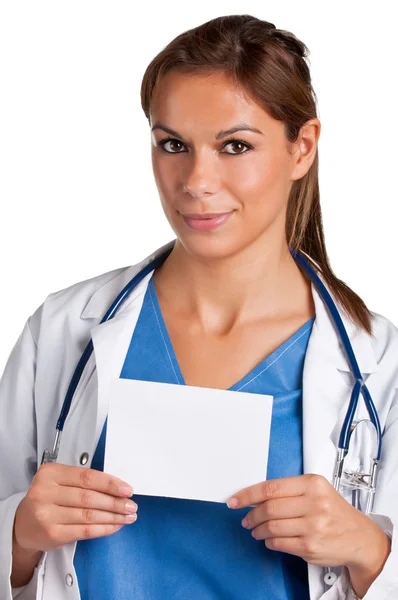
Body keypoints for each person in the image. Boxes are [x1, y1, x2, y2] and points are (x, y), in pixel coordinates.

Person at [1, 13, 397, 600]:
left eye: (235, 146)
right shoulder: (62, 330)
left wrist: (370, 552)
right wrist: (17, 534)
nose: (195, 180)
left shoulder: (378, 362)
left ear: (302, 148)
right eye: (173, 145)